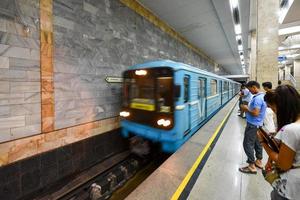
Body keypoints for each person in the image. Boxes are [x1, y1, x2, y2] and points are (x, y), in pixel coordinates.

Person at [258, 85, 300, 200]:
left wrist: (263, 141)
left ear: (281, 106)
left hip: (291, 190)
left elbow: (283, 164)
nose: (274, 112)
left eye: (273, 108)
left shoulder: (291, 130)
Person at [239, 81, 267, 174]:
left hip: (253, 125)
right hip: (258, 125)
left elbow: (255, 113)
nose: (249, 91)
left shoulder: (258, 98)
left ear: (254, 87)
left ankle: (251, 166)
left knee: (247, 144)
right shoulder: (262, 96)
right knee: (257, 143)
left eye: (250, 89)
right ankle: (258, 161)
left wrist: (246, 108)